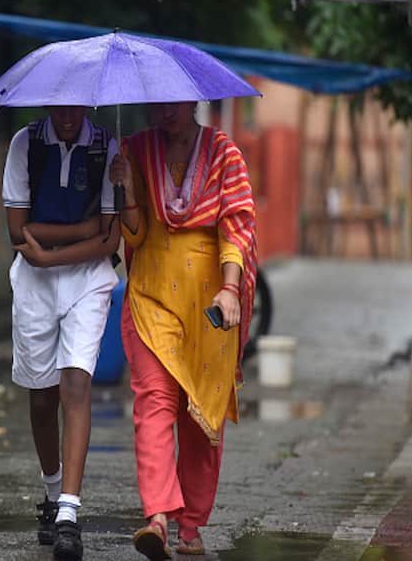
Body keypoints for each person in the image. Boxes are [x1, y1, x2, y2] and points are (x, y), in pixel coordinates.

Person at [109, 101, 257, 559]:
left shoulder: (224, 153)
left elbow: (238, 225)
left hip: (211, 301)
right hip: (151, 294)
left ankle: (190, 526)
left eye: (172, 101)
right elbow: (132, 236)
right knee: (153, 401)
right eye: (155, 101)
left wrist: (231, 290)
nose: (162, 109)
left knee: (201, 416)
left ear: (193, 101)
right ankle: (156, 516)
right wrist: (128, 187)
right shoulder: (133, 150)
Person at [2, 105, 121, 561]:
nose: (68, 115)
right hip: (33, 284)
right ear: (48, 102)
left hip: (88, 280)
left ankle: (69, 511)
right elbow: (18, 229)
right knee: (41, 394)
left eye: (77, 106)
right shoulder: (24, 144)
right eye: (60, 106)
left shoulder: (106, 148)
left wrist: (53, 251)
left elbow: (111, 240)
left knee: (77, 381)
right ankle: (52, 491)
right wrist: (85, 230)